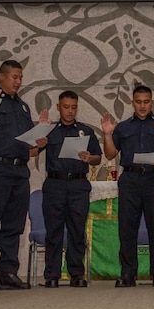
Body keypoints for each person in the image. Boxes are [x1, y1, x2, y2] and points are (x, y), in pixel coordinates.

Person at [0, 59, 48, 291]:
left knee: (14, 224)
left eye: (20, 77)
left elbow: (28, 147)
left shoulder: (23, 107)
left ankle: (7, 271)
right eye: (14, 77)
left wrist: (40, 143)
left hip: (19, 169)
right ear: (1, 78)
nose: (18, 81)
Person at [101, 85, 154, 287]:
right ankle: (128, 274)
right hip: (130, 180)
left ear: (152, 102)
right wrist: (108, 134)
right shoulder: (123, 127)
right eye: (138, 101)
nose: (142, 106)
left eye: (146, 102)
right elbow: (110, 154)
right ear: (132, 102)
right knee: (127, 228)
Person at [41, 91, 103, 288]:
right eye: (66, 107)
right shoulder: (49, 130)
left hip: (78, 185)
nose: (70, 111)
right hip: (55, 184)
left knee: (77, 230)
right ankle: (52, 274)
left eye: (73, 107)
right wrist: (38, 138)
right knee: (54, 231)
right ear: (58, 107)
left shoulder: (85, 131)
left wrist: (89, 158)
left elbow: (98, 157)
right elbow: (32, 150)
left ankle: (76, 273)